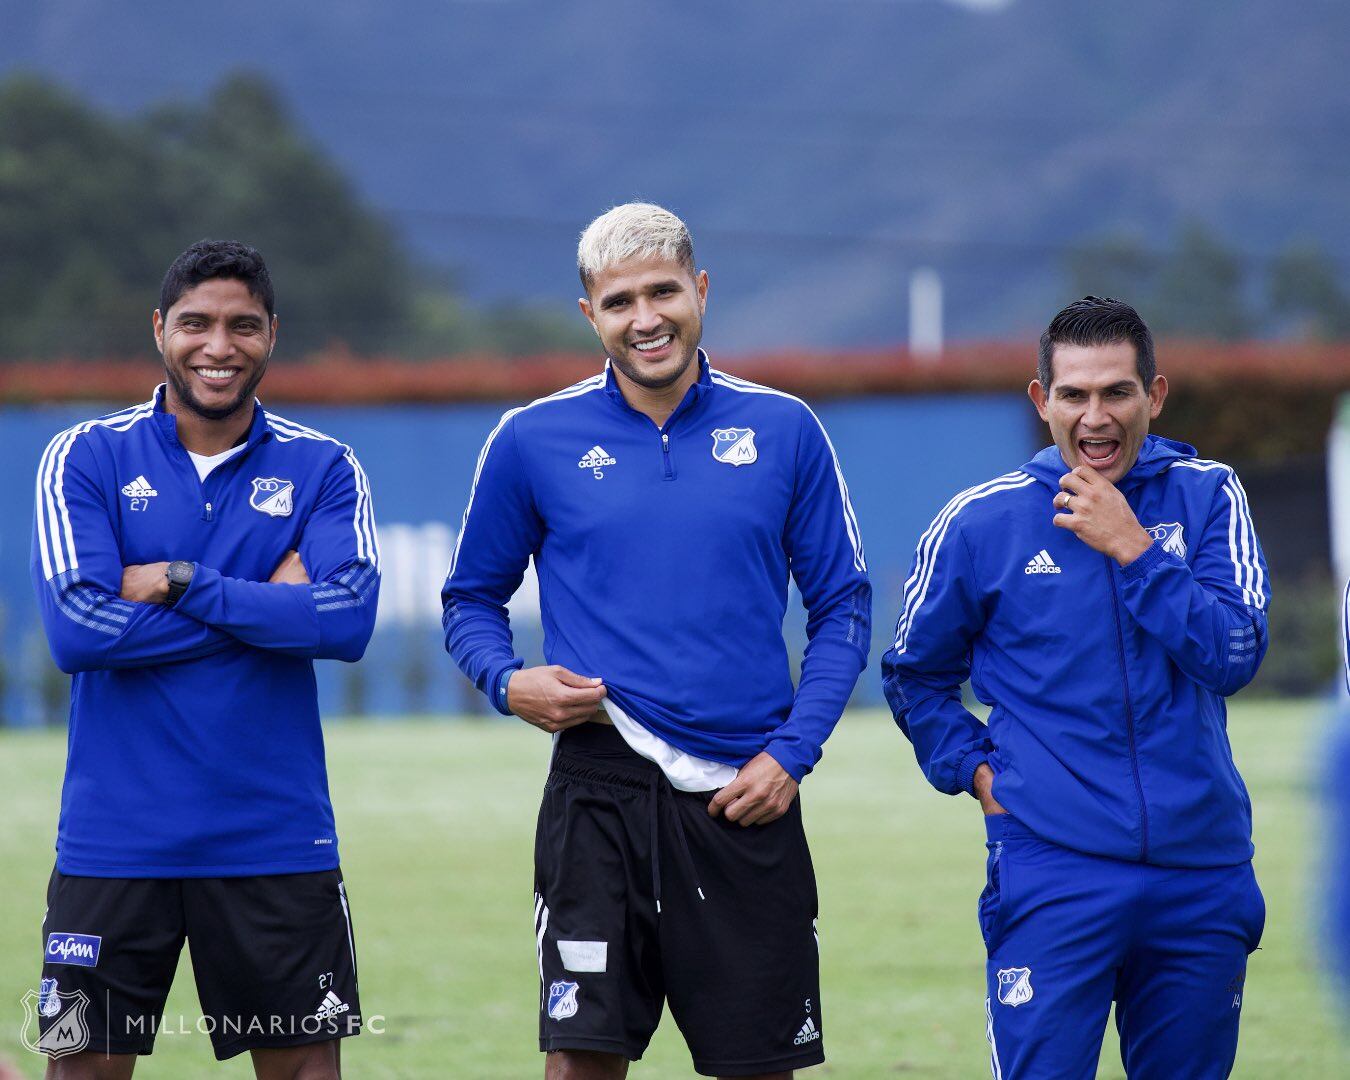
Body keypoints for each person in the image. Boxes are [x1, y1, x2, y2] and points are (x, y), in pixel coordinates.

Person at [442, 203, 870, 1079]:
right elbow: (470, 599)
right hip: (598, 792)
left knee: (760, 1066)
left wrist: (792, 754)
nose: (647, 320)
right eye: (621, 301)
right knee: (580, 1063)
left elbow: (845, 607)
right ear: (589, 315)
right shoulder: (531, 439)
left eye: (664, 292)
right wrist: (505, 681)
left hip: (746, 794)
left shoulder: (785, 428)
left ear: (700, 289)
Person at [882, 296, 1269, 1079]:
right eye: (1075, 395)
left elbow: (1234, 654)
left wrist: (1136, 550)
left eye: (1118, 392)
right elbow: (913, 674)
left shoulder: (1208, 495)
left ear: (1153, 396)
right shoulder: (980, 524)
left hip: (1201, 872)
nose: (1097, 417)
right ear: (1042, 401)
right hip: (1052, 866)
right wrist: (982, 776)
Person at [30, 240, 379, 1078]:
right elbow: (79, 634)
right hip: (115, 843)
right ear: (159, 330)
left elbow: (347, 621)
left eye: (241, 326)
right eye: (195, 323)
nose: (217, 347)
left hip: (274, 839)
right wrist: (269, 600)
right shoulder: (85, 456)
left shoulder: (325, 467)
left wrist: (186, 584)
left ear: (271, 336)